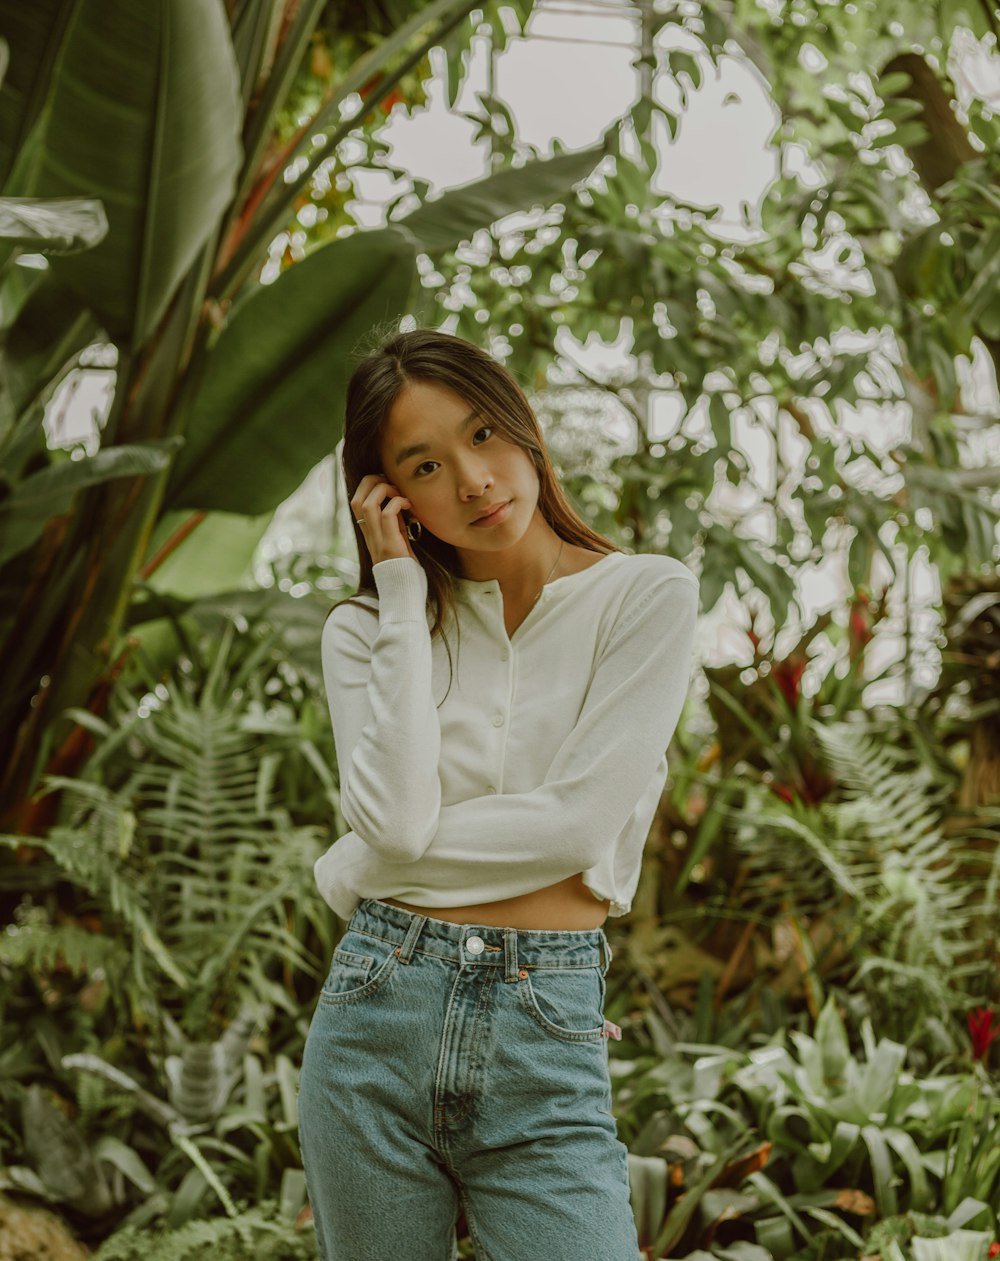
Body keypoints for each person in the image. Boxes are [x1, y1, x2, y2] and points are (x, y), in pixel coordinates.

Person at [298, 326, 700, 1261]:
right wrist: (399, 590)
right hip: (376, 1018)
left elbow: (576, 826)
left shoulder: (645, 597)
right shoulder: (366, 631)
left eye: (483, 435)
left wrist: (360, 859)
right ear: (389, 497)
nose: (474, 481)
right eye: (427, 464)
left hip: (544, 1017)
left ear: (524, 428)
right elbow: (396, 820)